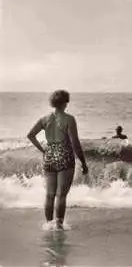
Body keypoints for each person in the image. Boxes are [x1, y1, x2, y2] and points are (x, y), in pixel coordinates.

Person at [27, 90, 88, 230]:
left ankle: (49, 225)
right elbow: (75, 143)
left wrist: (43, 150)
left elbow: (30, 135)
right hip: (65, 156)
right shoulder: (69, 119)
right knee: (61, 195)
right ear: (65, 102)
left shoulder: (44, 119)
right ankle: (59, 225)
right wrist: (83, 162)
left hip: (49, 156)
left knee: (49, 194)